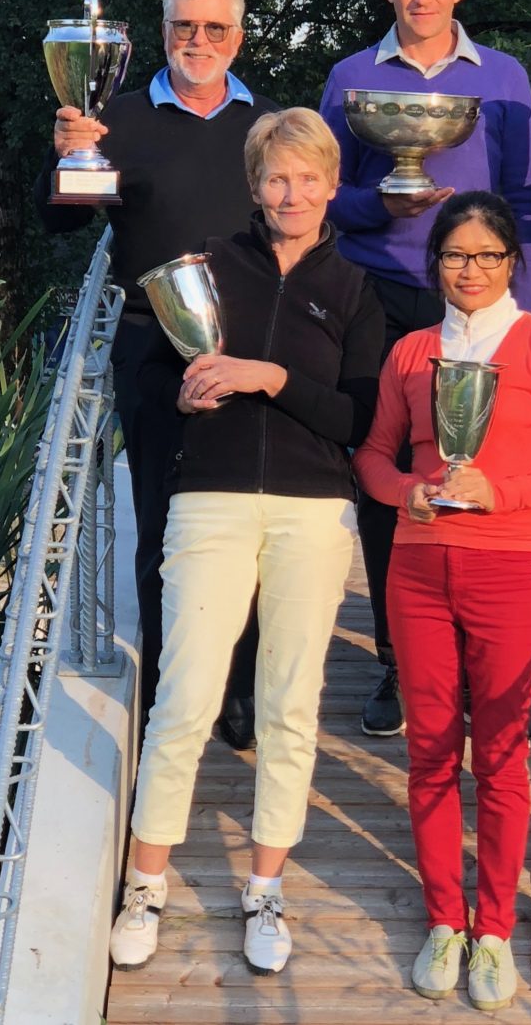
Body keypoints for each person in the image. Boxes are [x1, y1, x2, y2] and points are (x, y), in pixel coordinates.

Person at [106, 108, 384, 975]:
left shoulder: (355, 288)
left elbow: (359, 416)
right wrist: (182, 400)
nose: (291, 193)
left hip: (309, 512)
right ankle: (145, 886)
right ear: (255, 186)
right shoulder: (209, 270)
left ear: (332, 185)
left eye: (308, 178)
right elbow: (151, 374)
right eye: (276, 178)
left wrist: (271, 377)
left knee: (289, 705)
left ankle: (266, 888)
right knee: (185, 697)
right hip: (210, 501)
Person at [353, 191, 531, 1012]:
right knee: (431, 750)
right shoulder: (411, 354)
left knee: (500, 756)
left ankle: (495, 929)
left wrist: (503, 494)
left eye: (487, 256)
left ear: (514, 264)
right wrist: (407, 494)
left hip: (507, 571)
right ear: (435, 265)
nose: (470, 270)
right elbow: (372, 458)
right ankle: (444, 920)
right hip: (419, 573)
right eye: (455, 256)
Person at [34, 0, 278, 746]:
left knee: (247, 532)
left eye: (213, 27)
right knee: (164, 533)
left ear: (238, 36)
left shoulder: (267, 127)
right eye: (183, 26)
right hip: (152, 354)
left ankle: (237, 691)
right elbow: (63, 224)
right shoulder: (119, 121)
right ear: (163, 30)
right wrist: (67, 151)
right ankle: (173, 695)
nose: (197, 40)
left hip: (250, 360)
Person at [320, 0, 531, 738]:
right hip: (379, 297)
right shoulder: (349, 76)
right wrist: (374, 203)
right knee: (385, 484)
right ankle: (395, 659)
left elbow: (524, 203)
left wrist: (530, 312)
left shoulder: (506, 78)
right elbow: (322, 196)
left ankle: (485, 663)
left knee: (483, 474)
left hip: (480, 303)